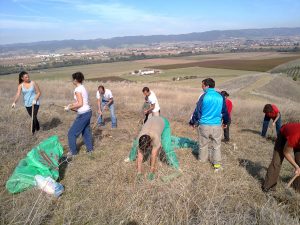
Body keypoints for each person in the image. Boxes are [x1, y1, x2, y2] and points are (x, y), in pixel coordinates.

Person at [189, 78, 229, 172]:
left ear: (207, 86)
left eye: (202, 85)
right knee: (216, 146)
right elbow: (225, 112)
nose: (202, 87)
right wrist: (225, 122)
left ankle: (202, 162)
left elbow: (197, 112)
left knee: (203, 145)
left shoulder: (203, 96)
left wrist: (192, 122)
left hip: (204, 126)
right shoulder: (220, 97)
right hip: (216, 126)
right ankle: (217, 165)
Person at [136, 116, 179, 180]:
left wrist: (152, 172)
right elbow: (139, 156)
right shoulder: (140, 138)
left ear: (150, 143)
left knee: (166, 146)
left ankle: (176, 166)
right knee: (139, 150)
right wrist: (139, 172)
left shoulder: (155, 138)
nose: (145, 151)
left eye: (146, 149)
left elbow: (154, 155)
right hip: (152, 120)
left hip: (163, 123)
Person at [262, 123, 300, 192]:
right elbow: (286, 152)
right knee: (276, 161)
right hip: (284, 135)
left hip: (296, 138)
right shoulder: (295, 136)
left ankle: (297, 187)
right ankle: (269, 187)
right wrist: (296, 167)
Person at [65, 72, 93, 158]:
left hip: (83, 114)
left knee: (71, 134)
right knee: (85, 132)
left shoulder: (77, 89)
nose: (72, 81)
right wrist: (71, 105)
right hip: (88, 112)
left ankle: (73, 153)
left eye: (73, 79)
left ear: (75, 80)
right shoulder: (83, 88)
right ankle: (90, 150)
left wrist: (69, 108)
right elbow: (81, 102)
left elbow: (80, 103)